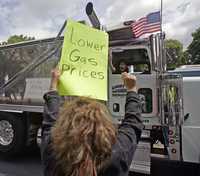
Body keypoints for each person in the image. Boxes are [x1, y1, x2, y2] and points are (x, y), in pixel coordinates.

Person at [41, 68, 144, 176]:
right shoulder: (117, 154)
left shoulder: (53, 152)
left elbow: (50, 122)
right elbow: (132, 123)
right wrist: (132, 89)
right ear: (104, 127)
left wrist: (53, 85)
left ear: (65, 124)